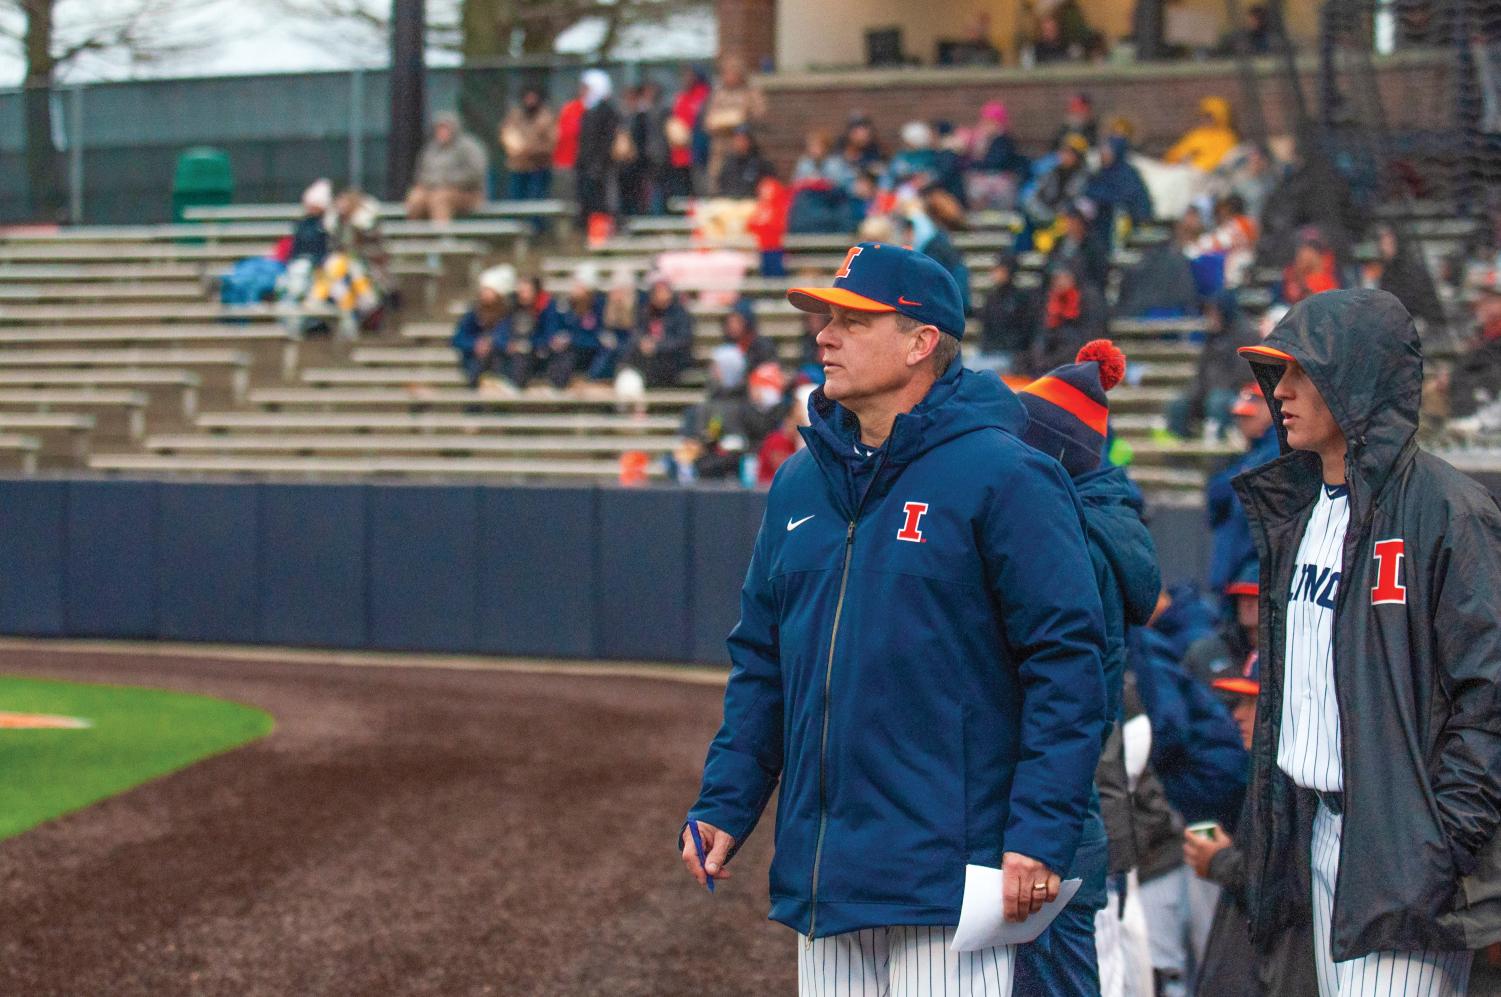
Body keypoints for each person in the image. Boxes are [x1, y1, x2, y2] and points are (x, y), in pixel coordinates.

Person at [682, 241, 1109, 995]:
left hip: (950, 882)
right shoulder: (800, 480)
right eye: (825, 318)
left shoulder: (1004, 472)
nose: (823, 335)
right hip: (830, 880)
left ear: (919, 343)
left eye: (852, 319)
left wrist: (1039, 838)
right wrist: (726, 798)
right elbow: (763, 662)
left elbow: (1066, 663)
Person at [1234, 288, 1501, 997]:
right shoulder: (1301, 509)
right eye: (1276, 374)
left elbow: (1489, 696)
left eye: (1298, 372)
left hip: (1398, 846)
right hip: (1317, 828)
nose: (1279, 391)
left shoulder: (1446, 510)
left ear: (1352, 378)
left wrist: (1436, 846)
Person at [1014, 341, 1163, 997]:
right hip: (1074, 806)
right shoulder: (1094, 522)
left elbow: (1061, 696)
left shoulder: (1075, 538)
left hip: (1060, 813)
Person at [1184, 651, 1321, 997]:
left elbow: (1287, 887)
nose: (1238, 714)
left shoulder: (1298, 784)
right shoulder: (1267, 775)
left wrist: (1219, 861)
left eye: (1252, 701)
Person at [1205, 381, 1279, 597]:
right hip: (1233, 577)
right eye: (1240, 416)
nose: (1242, 422)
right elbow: (1214, 498)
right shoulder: (1249, 456)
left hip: (1254, 579)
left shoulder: (1276, 452)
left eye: (1249, 415)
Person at [1166, 289, 1260, 440]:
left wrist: (1214, 388)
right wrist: (1196, 392)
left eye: (1213, 312)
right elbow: (1201, 372)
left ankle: (1217, 456)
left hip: (1236, 393)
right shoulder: (1212, 336)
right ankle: (1179, 452)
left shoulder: (1247, 335)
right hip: (1209, 392)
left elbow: (1245, 374)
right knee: (1179, 404)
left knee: (1217, 401)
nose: (1210, 317)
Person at [405, 112, 488, 222]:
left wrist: (447, 181)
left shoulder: (469, 147)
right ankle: (414, 237)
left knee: (439, 198)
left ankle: (442, 237)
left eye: (445, 128)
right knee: (415, 197)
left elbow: (475, 173)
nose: (442, 132)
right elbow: (420, 174)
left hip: (467, 193)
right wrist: (430, 183)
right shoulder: (430, 149)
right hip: (432, 189)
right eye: (439, 129)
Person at [703, 55, 766, 195]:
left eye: (732, 73)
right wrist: (718, 122)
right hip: (721, 147)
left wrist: (743, 117)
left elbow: (760, 115)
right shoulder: (718, 94)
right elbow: (708, 121)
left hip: (743, 148)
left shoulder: (750, 93)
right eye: (725, 73)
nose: (728, 76)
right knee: (717, 180)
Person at [621, 273, 694, 388]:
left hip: (671, 359)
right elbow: (636, 332)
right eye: (658, 292)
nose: (662, 296)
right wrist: (643, 342)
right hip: (647, 358)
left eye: (664, 291)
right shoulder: (645, 311)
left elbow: (683, 340)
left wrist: (657, 346)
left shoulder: (680, 313)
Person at [974, 250, 1039, 376]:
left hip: (1010, 354)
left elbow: (1025, 333)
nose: (995, 273)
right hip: (989, 351)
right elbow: (986, 329)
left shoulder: (1021, 299)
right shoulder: (991, 298)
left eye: (1000, 270)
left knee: (981, 371)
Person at [452, 265, 515, 388]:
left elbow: (506, 337)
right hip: (476, 360)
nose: (484, 294)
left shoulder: (507, 314)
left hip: (499, 359)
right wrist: (475, 344)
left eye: (488, 290)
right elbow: (458, 338)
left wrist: (494, 343)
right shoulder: (473, 314)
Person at [1084, 135, 1154, 247]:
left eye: (1107, 152)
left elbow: (1131, 199)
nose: (1103, 155)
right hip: (1101, 225)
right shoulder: (1100, 173)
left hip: (1123, 225)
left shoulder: (1127, 175)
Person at [1037, 262, 1107, 371]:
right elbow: (1040, 332)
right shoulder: (1050, 299)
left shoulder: (1088, 299)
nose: (1059, 282)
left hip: (1079, 355)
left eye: (1064, 278)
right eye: (1056, 278)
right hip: (1053, 355)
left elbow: (1091, 334)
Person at [574, 69, 621, 230]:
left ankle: (602, 233)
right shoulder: (589, 110)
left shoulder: (606, 111)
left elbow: (605, 141)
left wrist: (598, 164)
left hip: (601, 167)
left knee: (602, 203)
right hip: (589, 166)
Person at [965, 101, 1031, 211]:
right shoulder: (986, 141)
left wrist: (980, 153)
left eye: (988, 122)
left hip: (1001, 182)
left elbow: (994, 163)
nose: (984, 125)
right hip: (989, 180)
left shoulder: (1003, 141)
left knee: (979, 188)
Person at [500, 87, 556, 201]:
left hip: (539, 167)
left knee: (536, 200)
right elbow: (507, 134)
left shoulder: (547, 118)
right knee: (516, 200)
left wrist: (531, 150)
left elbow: (552, 141)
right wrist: (516, 149)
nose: (530, 101)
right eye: (528, 98)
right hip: (518, 167)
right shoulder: (515, 116)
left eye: (533, 98)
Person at [666, 66, 711, 201]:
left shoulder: (704, 95)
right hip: (680, 151)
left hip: (698, 149)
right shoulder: (681, 97)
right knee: (683, 187)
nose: (686, 80)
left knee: (700, 185)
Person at [1163, 98, 1239, 174]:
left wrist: (1197, 163)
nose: (1206, 120)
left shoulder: (1227, 137)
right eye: (1204, 116)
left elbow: (1222, 161)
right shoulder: (1196, 134)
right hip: (1185, 171)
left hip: (1208, 176)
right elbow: (1177, 152)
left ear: (1220, 116)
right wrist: (1178, 157)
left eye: (1210, 117)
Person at [716, 126, 773, 200]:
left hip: (752, 203)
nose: (739, 143)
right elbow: (721, 184)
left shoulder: (761, 163)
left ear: (750, 141)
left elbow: (769, 186)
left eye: (743, 139)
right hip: (730, 203)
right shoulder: (729, 163)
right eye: (737, 140)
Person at [1281, 233, 1340, 304]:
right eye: (1301, 255)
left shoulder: (1326, 275)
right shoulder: (1292, 273)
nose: (1302, 257)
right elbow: (1291, 296)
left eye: (1308, 253)